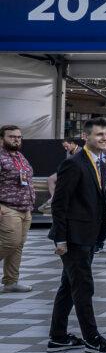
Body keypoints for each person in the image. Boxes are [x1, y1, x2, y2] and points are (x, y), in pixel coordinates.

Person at [47, 117, 106, 353]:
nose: (105, 138)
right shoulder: (75, 163)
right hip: (74, 237)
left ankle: (58, 336)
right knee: (83, 287)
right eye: (99, 134)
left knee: (69, 285)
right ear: (86, 137)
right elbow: (59, 204)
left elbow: (93, 197)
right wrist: (60, 239)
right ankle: (92, 339)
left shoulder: (99, 162)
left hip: (89, 234)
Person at [0, 125, 35, 293]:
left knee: (18, 245)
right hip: (8, 207)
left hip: (25, 209)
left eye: (19, 137)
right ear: (2, 139)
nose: (16, 139)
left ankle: (10, 282)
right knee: (10, 242)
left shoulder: (20, 156)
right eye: (12, 136)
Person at [43, 137, 84, 211]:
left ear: (72, 144)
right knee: (50, 179)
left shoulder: (81, 151)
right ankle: (54, 198)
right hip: (67, 172)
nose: (65, 148)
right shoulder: (68, 151)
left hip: (75, 174)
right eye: (64, 147)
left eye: (66, 146)